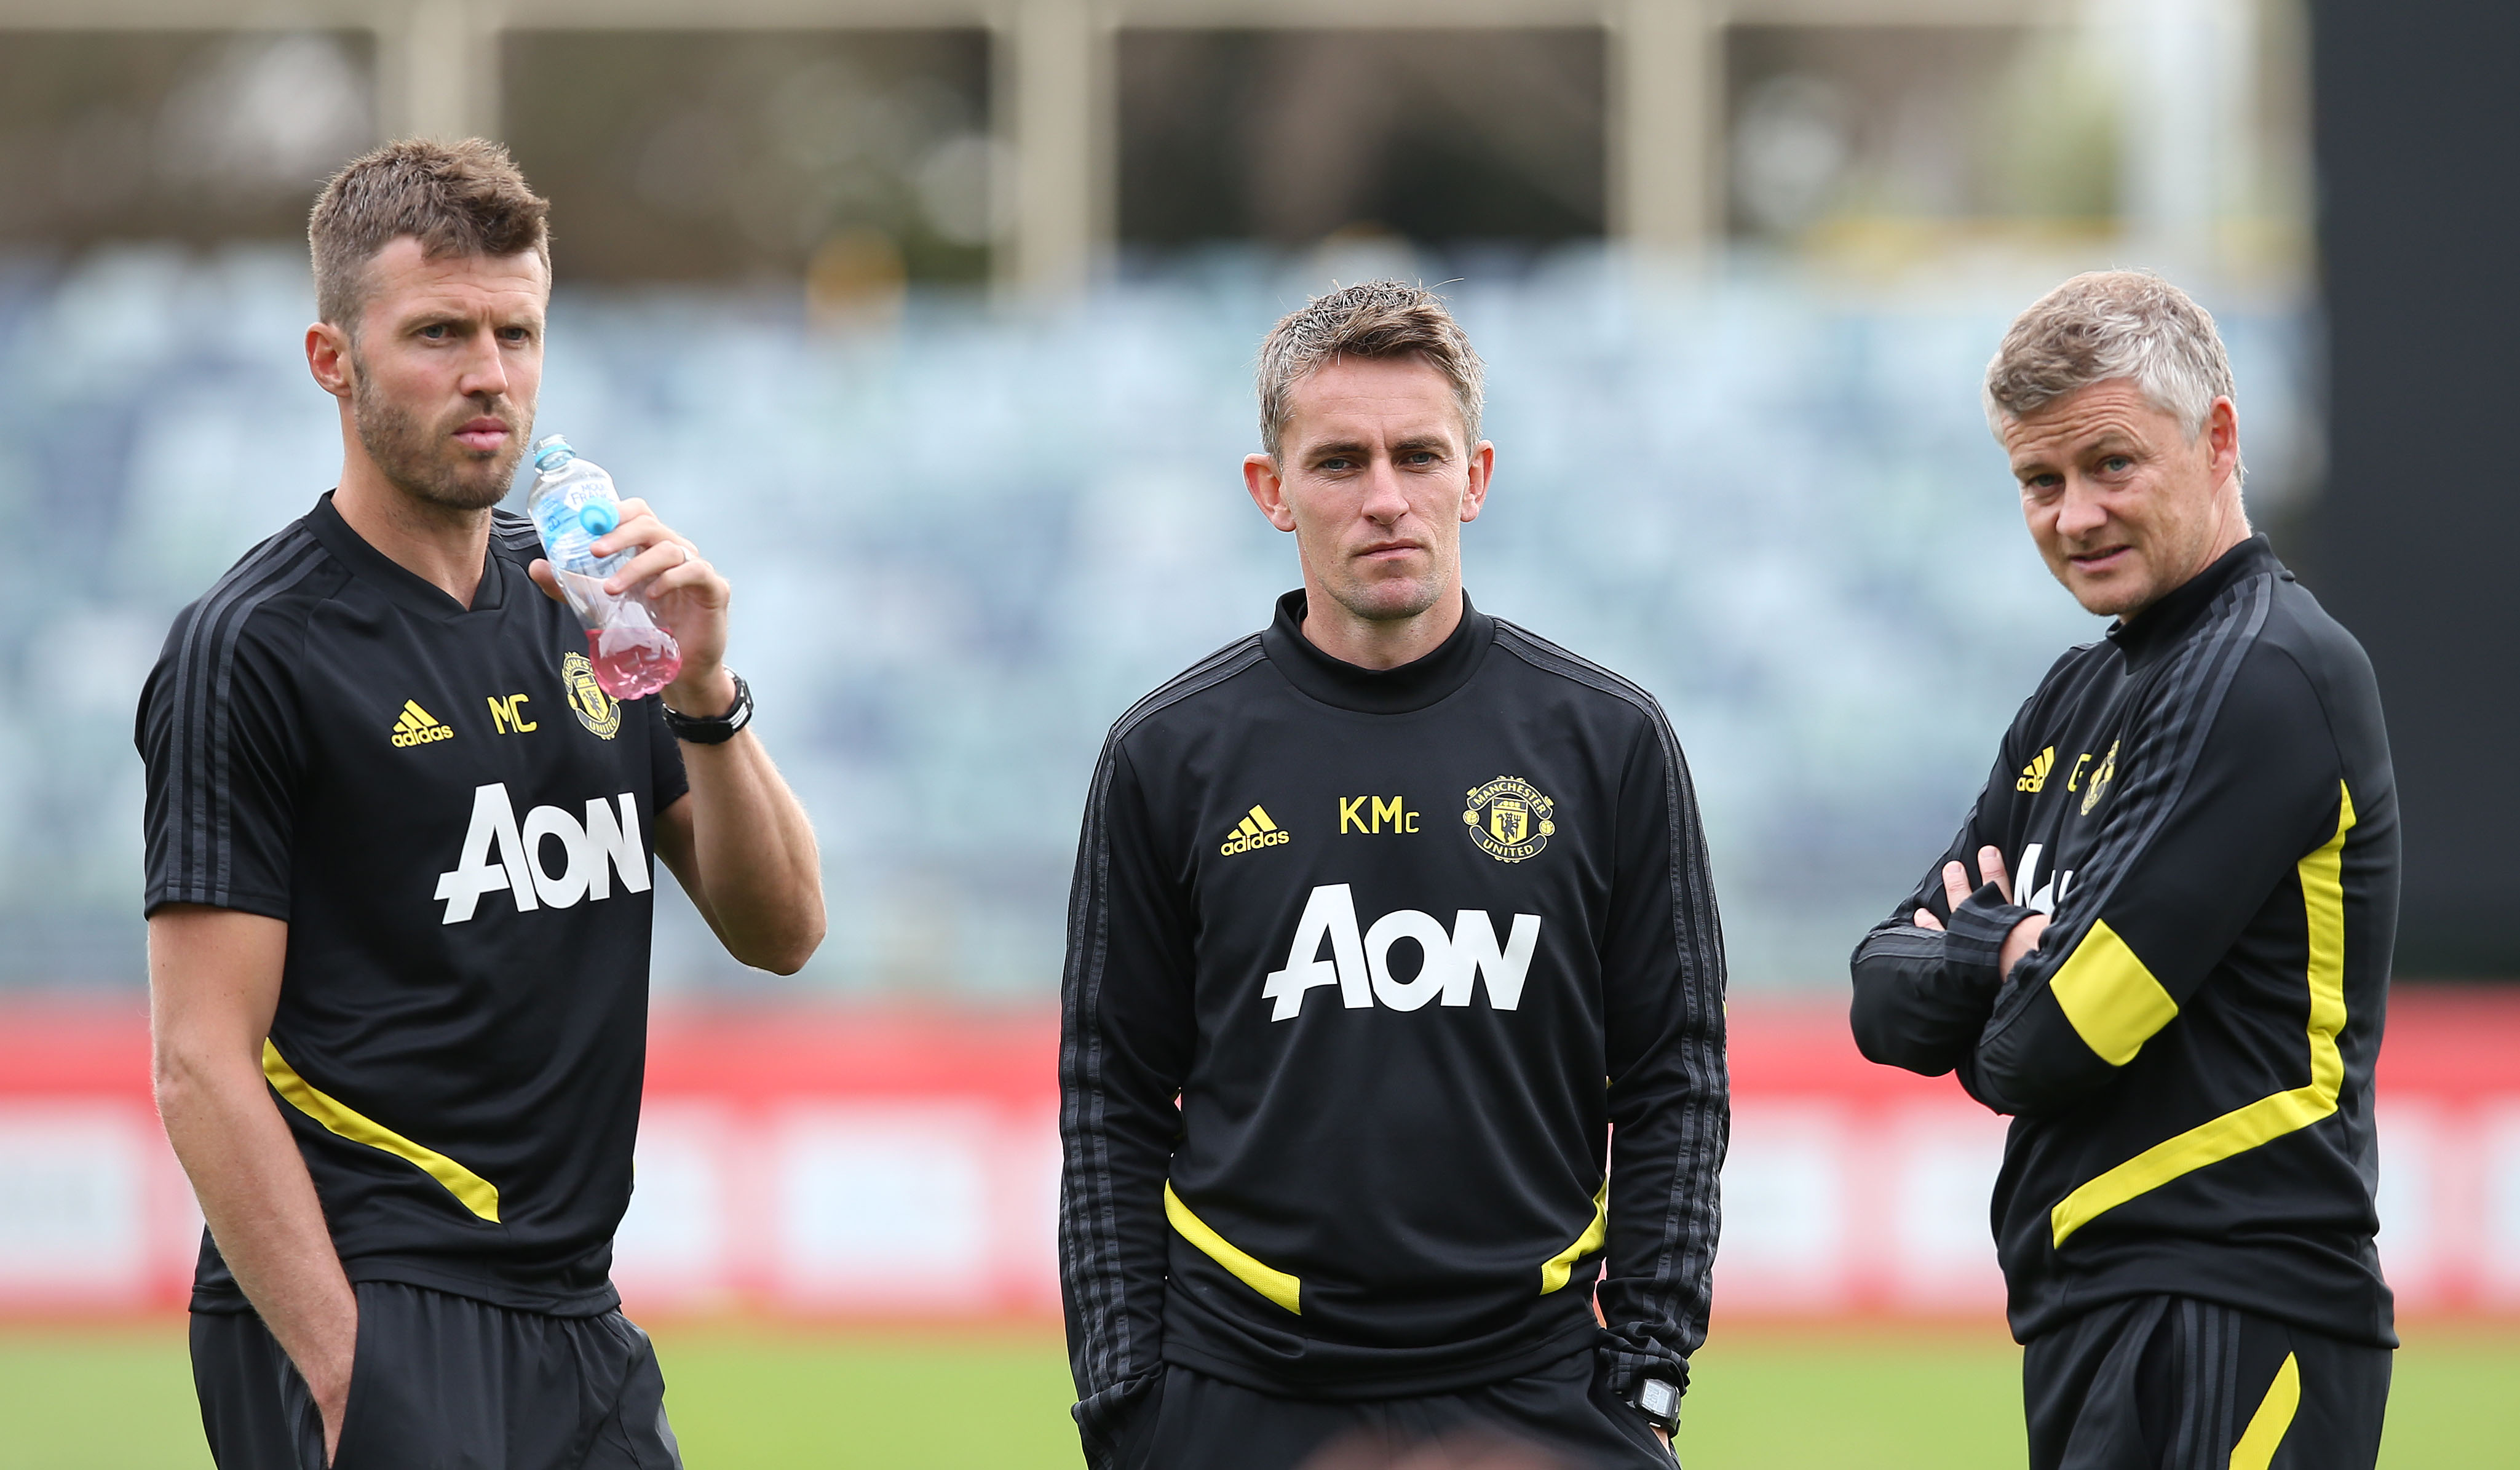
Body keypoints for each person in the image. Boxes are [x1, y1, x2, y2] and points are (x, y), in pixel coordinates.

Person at [138, 138, 825, 1469]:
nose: (488, 374)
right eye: (439, 332)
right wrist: (349, 1373)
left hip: (573, 1310)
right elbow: (199, 1060)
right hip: (372, 1293)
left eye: (516, 332)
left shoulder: (589, 601)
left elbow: (784, 928)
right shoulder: (257, 644)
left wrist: (709, 686)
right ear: (332, 360)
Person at [1058, 280, 1728, 1470]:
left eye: (1418, 456)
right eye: (1338, 462)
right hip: (1239, 1381)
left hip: (1537, 1380)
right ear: (1273, 492)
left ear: (1473, 475)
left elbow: (1676, 1075)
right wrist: (1124, 1397)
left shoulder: (1608, 739)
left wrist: (1649, 1364)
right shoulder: (1167, 754)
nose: (1384, 498)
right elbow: (1108, 1091)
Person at [1848, 271, 2398, 1470]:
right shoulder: (2077, 694)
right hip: (2098, 1310)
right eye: (2039, 482)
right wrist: (2002, 953)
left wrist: (1987, 956)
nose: (2074, 514)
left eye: (2110, 465)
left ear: (2219, 439)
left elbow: (2051, 1042)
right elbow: (1878, 997)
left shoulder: (2270, 674)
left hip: (2233, 1303)